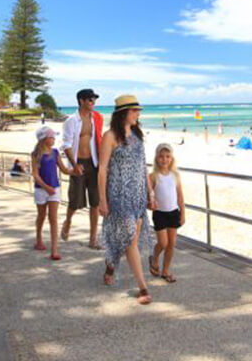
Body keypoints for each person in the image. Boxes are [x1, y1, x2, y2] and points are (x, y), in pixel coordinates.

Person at [98, 94, 155, 305]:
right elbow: (102, 169)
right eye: (134, 110)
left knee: (127, 239)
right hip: (118, 195)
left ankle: (110, 265)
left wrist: (150, 192)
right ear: (123, 113)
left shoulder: (138, 135)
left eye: (138, 111)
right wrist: (102, 200)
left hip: (138, 195)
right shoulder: (110, 136)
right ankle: (142, 287)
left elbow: (143, 166)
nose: (138, 114)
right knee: (131, 240)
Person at [60, 89, 104, 249]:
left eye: (94, 100)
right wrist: (74, 164)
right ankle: (68, 221)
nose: (93, 102)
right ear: (81, 101)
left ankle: (93, 239)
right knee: (75, 200)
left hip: (93, 163)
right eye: (90, 100)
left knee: (95, 202)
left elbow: (100, 139)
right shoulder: (71, 120)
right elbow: (66, 145)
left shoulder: (96, 118)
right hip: (78, 162)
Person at [32, 126, 75, 260]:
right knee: (41, 216)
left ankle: (54, 250)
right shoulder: (35, 154)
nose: (54, 139)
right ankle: (38, 238)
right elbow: (35, 175)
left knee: (53, 218)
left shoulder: (55, 152)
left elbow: (63, 170)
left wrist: (75, 170)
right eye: (51, 137)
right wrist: (46, 187)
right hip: (41, 189)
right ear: (44, 139)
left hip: (55, 189)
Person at [148, 144, 185, 283]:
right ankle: (154, 258)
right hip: (160, 214)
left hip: (173, 212)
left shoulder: (175, 175)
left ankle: (165, 271)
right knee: (163, 243)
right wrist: (150, 204)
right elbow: (148, 198)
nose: (164, 159)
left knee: (171, 244)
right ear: (157, 158)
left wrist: (183, 213)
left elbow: (180, 196)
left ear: (172, 159)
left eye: (167, 157)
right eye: (161, 157)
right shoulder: (152, 176)